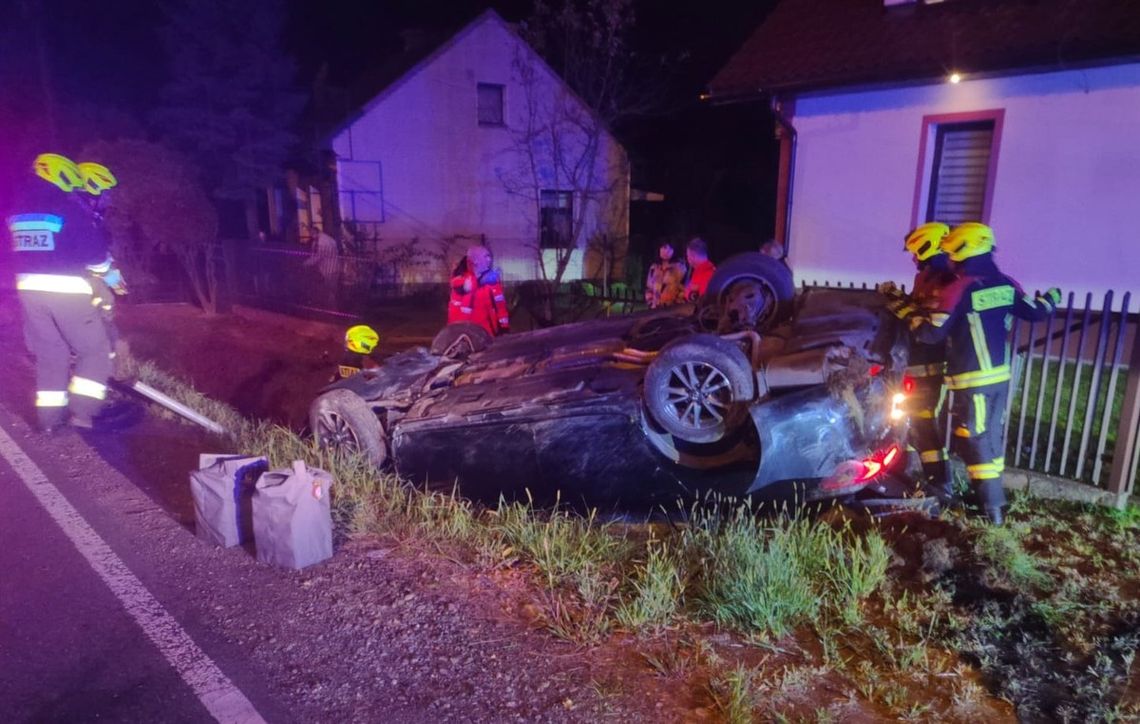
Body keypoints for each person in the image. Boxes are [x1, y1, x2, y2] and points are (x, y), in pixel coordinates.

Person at [900, 222, 1061, 525]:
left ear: (964, 251)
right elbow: (1036, 311)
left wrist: (907, 314)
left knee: (972, 437)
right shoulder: (1005, 283)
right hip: (1000, 377)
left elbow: (932, 334)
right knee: (988, 437)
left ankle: (993, 514)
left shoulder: (959, 288)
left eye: (950, 254)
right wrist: (1051, 299)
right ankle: (989, 499)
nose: (948, 260)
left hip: (972, 379)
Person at [7, 153, 123, 432]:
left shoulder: (18, 211)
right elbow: (94, 254)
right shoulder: (66, 208)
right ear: (63, 175)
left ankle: (49, 421)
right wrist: (112, 276)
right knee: (94, 351)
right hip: (67, 290)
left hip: (29, 290)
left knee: (51, 354)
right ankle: (83, 413)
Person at [880, 222, 957, 504]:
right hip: (915, 363)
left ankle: (941, 483)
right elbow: (915, 310)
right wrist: (898, 298)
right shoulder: (926, 276)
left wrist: (900, 304)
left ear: (929, 246)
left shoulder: (946, 279)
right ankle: (911, 474)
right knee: (909, 421)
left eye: (916, 252)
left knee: (925, 424)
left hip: (931, 365)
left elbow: (926, 323)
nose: (914, 258)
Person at [447, 245, 509, 336]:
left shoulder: (492, 281)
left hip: (490, 334)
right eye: (486, 256)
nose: (489, 260)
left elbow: (500, 306)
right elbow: (463, 287)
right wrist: (480, 281)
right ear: (475, 260)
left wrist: (504, 327)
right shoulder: (460, 280)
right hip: (467, 335)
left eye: (489, 256)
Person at [644, 241, 686, 308]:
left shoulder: (680, 268)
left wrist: (677, 303)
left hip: (671, 310)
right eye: (663, 247)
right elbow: (649, 287)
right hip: (654, 308)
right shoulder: (654, 268)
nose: (665, 251)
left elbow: (683, 287)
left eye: (668, 248)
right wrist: (650, 302)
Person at [684, 237, 716, 302]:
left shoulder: (708, 275)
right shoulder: (699, 272)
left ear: (693, 256)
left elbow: (701, 302)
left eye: (688, 256)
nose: (687, 259)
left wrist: (687, 293)